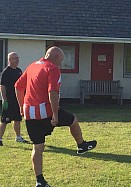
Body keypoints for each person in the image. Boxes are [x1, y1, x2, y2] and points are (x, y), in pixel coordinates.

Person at [15, 46, 97, 187]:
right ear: (56, 57)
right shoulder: (53, 69)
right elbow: (52, 92)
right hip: (46, 112)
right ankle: (81, 145)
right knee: (73, 120)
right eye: (62, 59)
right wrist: (55, 114)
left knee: (38, 147)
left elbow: (18, 86)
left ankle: (39, 180)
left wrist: (21, 106)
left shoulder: (32, 66)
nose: (62, 63)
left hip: (30, 113)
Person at [0, 52, 28, 146]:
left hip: (17, 100)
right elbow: (2, 86)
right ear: (9, 60)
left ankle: (18, 137)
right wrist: (4, 99)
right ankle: (0, 139)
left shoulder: (19, 71)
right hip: (9, 100)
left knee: (17, 119)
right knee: (5, 120)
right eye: (15, 58)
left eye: (18, 58)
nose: (17, 60)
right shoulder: (6, 72)